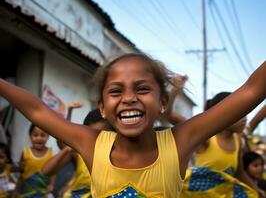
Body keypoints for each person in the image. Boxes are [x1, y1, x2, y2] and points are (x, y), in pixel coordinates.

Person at [0, 53, 265, 197]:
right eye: (116, 91)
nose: (128, 98)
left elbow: (250, 92)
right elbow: (36, 109)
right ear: (103, 107)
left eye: (142, 88)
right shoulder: (91, 144)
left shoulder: (179, 142)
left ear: (162, 101)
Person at [180, 92, 261, 197]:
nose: (245, 119)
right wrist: (175, 92)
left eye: (245, 114)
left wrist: (256, 190)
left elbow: (239, 173)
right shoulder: (207, 138)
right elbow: (174, 118)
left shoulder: (238, 142)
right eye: (241, 114)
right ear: (223, 114)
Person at [43, 108, 111, 198]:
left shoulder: (119, 155)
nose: (98, 140)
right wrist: (67, 149)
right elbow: (47, 170)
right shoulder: (79, 153)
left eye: (104, 135)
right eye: (92, 136)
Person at [14, 125, 55, 197]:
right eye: (35, 135)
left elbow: (53, 172)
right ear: (30, 136)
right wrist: (16, 189)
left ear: (48, 136)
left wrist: (51, 184)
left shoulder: (51, 153)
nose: (39, 138)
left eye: (43, 135)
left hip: (42, 190)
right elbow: (21, 172)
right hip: (26, 189)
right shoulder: (25, 152)